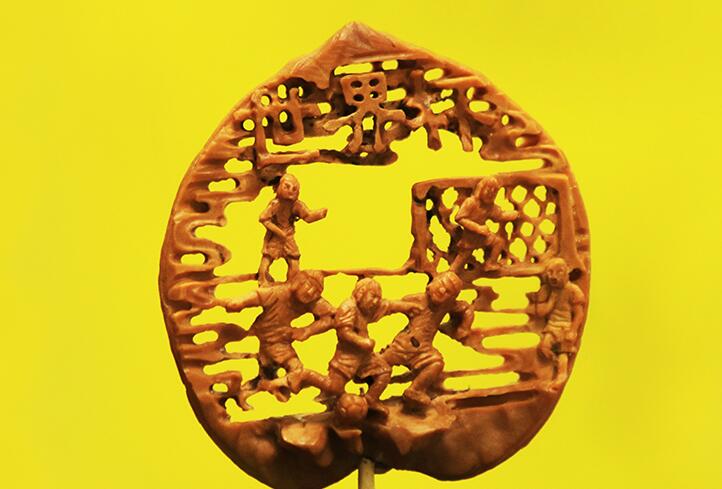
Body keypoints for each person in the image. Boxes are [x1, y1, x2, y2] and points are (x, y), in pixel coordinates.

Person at [292, 278, 421, 415]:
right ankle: (305, 375)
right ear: (360, 293)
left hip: (365, 357)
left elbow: (388, 306)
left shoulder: (367, 308)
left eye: (378, 298)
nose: (375, 301)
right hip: (347, 357)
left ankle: (370, 401)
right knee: (334, 387)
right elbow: (343, 332)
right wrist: (361, 341)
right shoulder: (348, 307)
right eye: (373, 296)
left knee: (384, 372)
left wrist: (407, 307)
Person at [220, 270, 334, 409]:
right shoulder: (278, 292)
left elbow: (331, 317)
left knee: (268, 373)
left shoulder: (311, 301)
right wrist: (240, 302)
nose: (311, 293)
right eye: (309, 285)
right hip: (273, 340)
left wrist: (307, 331)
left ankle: (249, 391)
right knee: (296, 370)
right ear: (298, 281)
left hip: (280, 339)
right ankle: (271, 386)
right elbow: (258, 295)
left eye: (316, 291)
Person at [378, 271, 474, 408]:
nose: (442, 291)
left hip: (423, 350)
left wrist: (464, 328)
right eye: (441, 285)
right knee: (380, 365)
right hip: (402, 345)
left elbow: (466, 309)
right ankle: (369, 393)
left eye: (447, 291)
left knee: (436, 363)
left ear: (451, 298)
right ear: (431, 284)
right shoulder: (417, 300)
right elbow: (393, 305)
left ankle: (415, 391)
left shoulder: (447, 306)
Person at [258, 173, 327, 285]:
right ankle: (262, 279)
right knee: (268, 256)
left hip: (289, 235)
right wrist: (279, 232)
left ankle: (292, 282)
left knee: (294, 258)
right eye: (287, 187)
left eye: (294, 189)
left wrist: (319, 214)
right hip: (276, 236)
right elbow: (263, 218)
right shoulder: (275, 204)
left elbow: (307, 217)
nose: (290, 191)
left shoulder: (297, 205)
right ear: (278, 187)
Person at [526, 257, 585, 388]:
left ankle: (561, 375)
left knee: (562, 351)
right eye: (550, 272)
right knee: (544, 347)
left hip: (565, 326)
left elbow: (579, 313)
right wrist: (551, 301)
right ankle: (555, 364)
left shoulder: (573, 290)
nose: (553, 276)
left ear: (567, 271)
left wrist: (573, 330)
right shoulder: (549, 291)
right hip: (551, 326)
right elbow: (541, 313)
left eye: (559, 272)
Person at [451, 176, 518, 272]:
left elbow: (499, 216)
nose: (491, 193)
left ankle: (490, 263)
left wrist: (511, 215)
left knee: (499, 242)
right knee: (463, 256)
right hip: (470, 238)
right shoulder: (470, 202)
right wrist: (478, 228)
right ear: (480, 189)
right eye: (488, 190)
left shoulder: (490, 206)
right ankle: (452, 271)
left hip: (483, 237)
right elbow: (460, 218)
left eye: (494, 192)